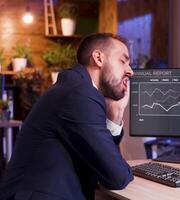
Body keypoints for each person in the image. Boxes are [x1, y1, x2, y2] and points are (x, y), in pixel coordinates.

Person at [0, 33, 134, 200]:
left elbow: (103, 164)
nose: (130, 71)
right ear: (98, 58)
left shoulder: (74, 87)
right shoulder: (80, 94)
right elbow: (117, 176)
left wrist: (116, 114)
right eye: (123, 61)